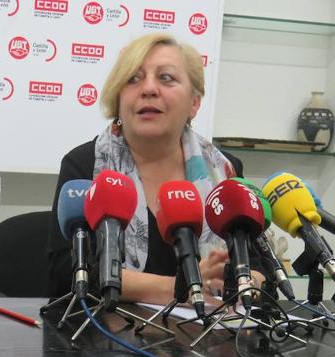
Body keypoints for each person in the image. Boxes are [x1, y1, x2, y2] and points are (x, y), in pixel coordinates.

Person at [47, 33, 265, 304]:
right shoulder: (84, 164)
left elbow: (260, 266)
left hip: (208, 337)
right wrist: (189, 286)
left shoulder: (224, 170)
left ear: (194, 103)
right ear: (118, 99)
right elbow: (66, 273)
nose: (148, 89)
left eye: (166, 78)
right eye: (133, 79)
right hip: (109, 336)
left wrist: (242, 280)